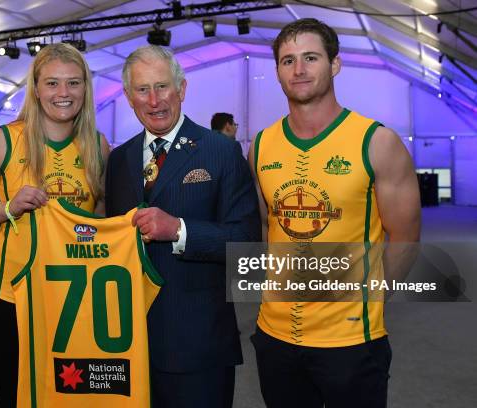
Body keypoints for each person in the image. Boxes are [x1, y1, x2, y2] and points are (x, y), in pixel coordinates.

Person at [248, 18, 421, 408]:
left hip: (351, 343)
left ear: (335, 64)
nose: (299, 69)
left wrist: (370, 301)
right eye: (287, 60)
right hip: (273, 337)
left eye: (310, 57)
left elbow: (406, 237)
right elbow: (265, 225)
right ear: (277, 70)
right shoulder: (260, 146)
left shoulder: (377, 142)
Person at [0, 43, 110, 408]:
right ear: (36, 89)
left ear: (86, 88)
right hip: (12, 302)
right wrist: (8, 207)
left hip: (74, 303)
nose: (63, 93)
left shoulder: (98, 147)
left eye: (73, 83)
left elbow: (101, 221)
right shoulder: (5, 140)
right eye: (52, 83)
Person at [105, 45, 261, 408]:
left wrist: (180, 230)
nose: (155, 100)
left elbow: (247, 243)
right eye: (142, 90)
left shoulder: (220, 151)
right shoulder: (119, 159)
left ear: (182, 89)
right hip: (129, 342)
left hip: (198, 345)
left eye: (163, 87)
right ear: (129, 97)